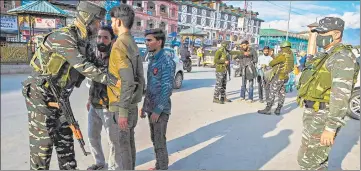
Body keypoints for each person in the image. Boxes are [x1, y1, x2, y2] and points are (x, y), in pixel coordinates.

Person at [21, 1, 121, 170]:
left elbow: (96, 64)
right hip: (41, 94)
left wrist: (120, 75)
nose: (98, 26)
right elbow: (83, 66)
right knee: (43, 145)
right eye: (97, 22)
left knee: (65, 139)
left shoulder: (84, 42)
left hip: (60, 95)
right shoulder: (64, 37)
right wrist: (112, 81)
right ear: (86, 19)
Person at [296, 17, 359, 170]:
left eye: (323, 33)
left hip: (324, 115)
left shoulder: (342, 57)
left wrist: (330, 128)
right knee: (314, 160)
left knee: (309, 162)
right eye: (318, 33)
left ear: (337, 34)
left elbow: (340, 95)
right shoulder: (326, 55)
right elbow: (309, 69)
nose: (319, 36)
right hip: (314, 113)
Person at [107, 4, 145, 170]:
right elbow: (140, 78)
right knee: (128, 145)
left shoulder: (119, 45)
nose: (111, 24)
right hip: (131, 104)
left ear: (119, 22)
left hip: (121, 106)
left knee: (122, 149)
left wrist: (122, 112)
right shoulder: (132, 42)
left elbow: (128, 80)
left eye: (112, 21)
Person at [140, 28, 176, 170]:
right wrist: (144, 106)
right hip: (151, 107)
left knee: (159, 140)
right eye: (146, 40)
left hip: (160, 110)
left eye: (149, 40)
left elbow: (167, 88)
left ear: (159, 42)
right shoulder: (153, 59)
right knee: (155, 139)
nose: (146, 43)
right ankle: (159, 165)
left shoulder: (166, 61)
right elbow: (150, 87)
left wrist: (158, 109)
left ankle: (162, 168)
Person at [85, 26, 117, 170]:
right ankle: (99, 163)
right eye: (99, 37)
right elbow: (92, 80)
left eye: (105, 37)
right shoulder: (95, 56)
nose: (101, 40)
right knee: (92, 136)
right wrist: (88, 99)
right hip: (94, 105)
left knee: (113, 141)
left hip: (108, 107)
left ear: (112, 40)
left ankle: (113, 166)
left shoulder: (116, 58)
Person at [258, 41, 294, 115]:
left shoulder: (283, 55)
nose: (280, 49)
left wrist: (274, 56)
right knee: (282, 93)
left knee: (272, 92)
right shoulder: (291, 56)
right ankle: (278, 109)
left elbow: (272, 63)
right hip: (286, 76)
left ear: (283, 47)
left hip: (279, 76)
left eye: (281, 48)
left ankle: (268, 109)